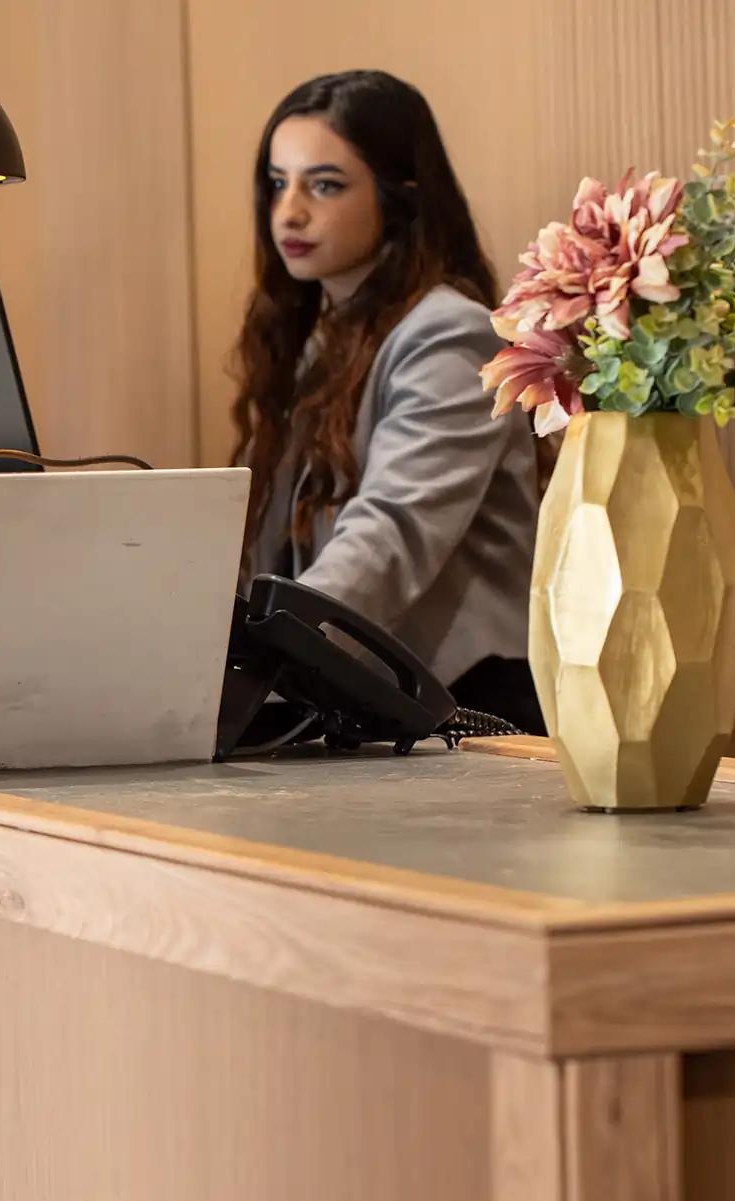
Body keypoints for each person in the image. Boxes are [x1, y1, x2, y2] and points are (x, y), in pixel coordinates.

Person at [233, 69, 545, 733]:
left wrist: (251, 658)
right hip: (377, 703)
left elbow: (390, 535)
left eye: (324, 184)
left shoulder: (450, 332)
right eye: (277, 183)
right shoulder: (326, 341)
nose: (289, 211)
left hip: (473, 713)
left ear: (401, 198)